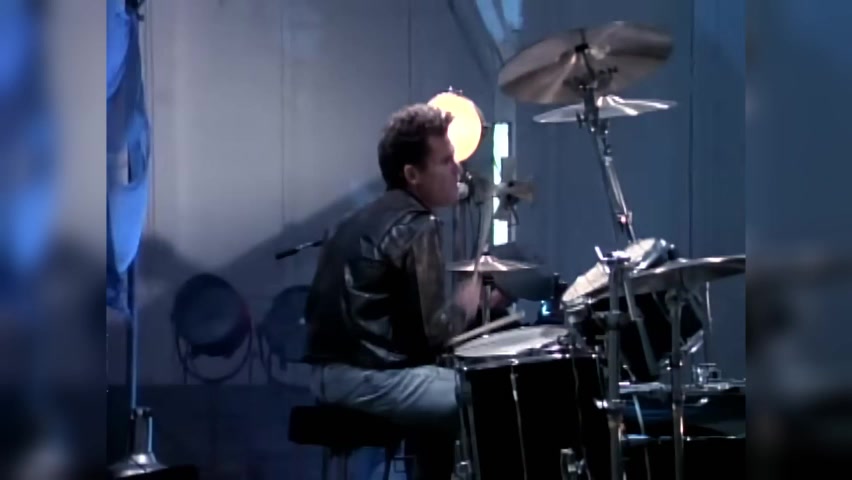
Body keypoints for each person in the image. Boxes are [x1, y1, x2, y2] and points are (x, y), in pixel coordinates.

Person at [303, 104, 496, 479]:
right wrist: (466, 304)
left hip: (328, 374)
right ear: (412, 174)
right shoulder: (416, 225)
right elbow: (435, 335)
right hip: (366, 377)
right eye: (445, 161)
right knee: (488, 394)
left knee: (446, 387)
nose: (458, 170)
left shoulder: (355, 219)